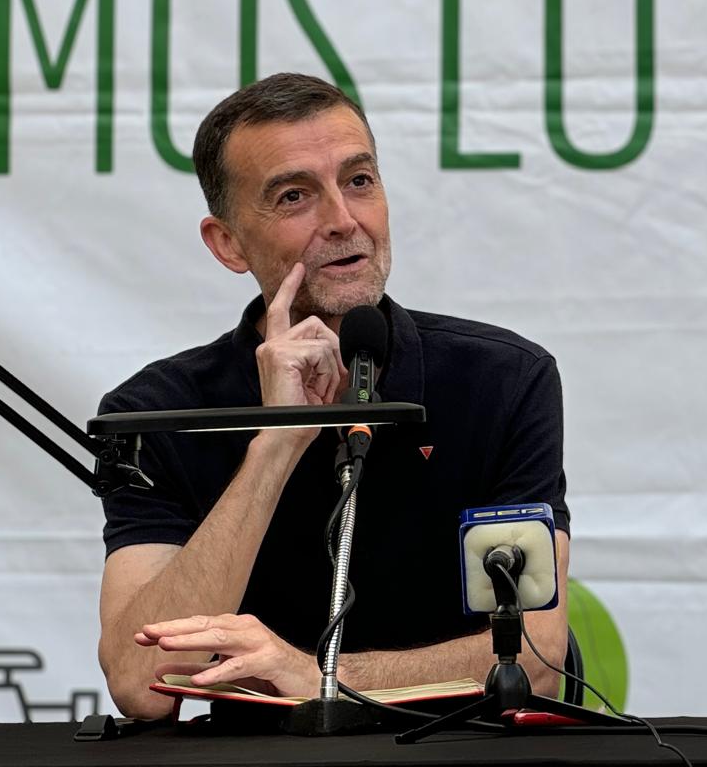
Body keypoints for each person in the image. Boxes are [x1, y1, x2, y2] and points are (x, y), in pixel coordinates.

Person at [96, 73, 570, 719]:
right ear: (227, 243)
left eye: (359, 181)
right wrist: (276, 444)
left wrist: (317, 676)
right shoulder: (156, 411)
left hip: (460, 752)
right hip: (257, 763)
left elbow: (536, 658)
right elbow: (140, 684)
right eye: (294, 196)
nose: (344, 221)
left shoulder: (503, 379)